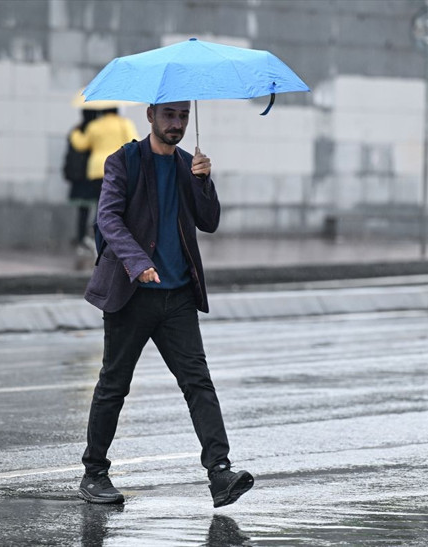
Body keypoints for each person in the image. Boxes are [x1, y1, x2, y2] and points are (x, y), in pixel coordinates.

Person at [78, 102, 254, 507]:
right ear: (152, 116)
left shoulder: (185, 165)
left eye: (182, 117)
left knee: (198, 383)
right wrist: (137, 262)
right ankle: (94, 473)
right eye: (169, 115)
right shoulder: (123, 161)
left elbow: (208, 221)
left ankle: (220, 473)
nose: (176, 124)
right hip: (132, 294)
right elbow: (108, 219)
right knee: (113, 386)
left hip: (177, 296)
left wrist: (204, 181)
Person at [69, 107, 139, 254]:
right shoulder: (124, 123)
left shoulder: (95, 126)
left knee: (99, 205)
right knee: (116, 204)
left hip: (96, 170)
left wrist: (75, 132)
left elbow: (81, 144)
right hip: (118, 168)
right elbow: (134, 143)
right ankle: (112, 238)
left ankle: (97, 237)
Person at [63, 109, 99, 251]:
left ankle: (81, 239)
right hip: (92, 175)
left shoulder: (76, 130)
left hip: (79, 178)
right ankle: (92, 237)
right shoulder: (95, 129)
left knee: (83, 210)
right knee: (100, 207)